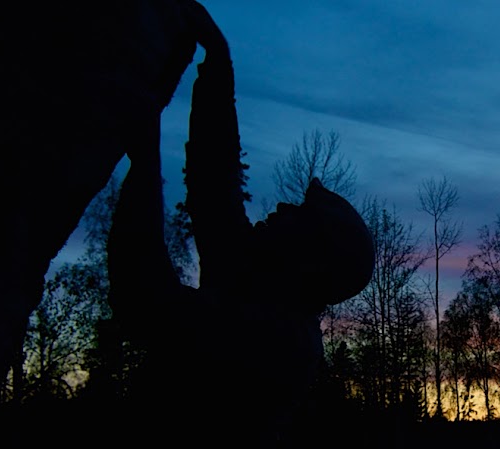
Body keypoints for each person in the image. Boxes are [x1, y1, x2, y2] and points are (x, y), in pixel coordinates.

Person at [107, 2, 374, 444]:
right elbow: (216, 189)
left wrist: (146, 159)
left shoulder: (282, 344)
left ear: (311, 259)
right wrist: (217, 66)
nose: (282, 210)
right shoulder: (263, 280)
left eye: (300, 218)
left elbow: (147, 301)